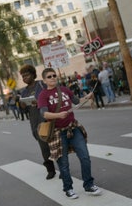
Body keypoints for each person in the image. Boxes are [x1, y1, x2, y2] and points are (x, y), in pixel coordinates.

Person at [37, 68, 101, 200]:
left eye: (54, 75)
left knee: (85, 157)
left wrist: (88, 97)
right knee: (64, 164)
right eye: (49, 76)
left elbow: (77, 101)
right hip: (57, 133)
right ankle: (68, 188)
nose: (53, 78)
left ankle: (89, 185)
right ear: (44, 80)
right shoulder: (43, 95)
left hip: (73, 127)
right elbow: (44, 113)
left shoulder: (64, 89)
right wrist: (58, 115)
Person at [19, 64, 56, 180]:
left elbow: (52, 96)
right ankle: (50, 169)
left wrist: (40, 102)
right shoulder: (24, 92)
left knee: (56, 144)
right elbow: (24, 110)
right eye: (23, 76)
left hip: (47, 118)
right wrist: (23, 105)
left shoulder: (41, 84)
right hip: (35, 122)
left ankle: (63, 167)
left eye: (27, 75)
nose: (25, 78)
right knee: (44, 147)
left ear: (33, 74)